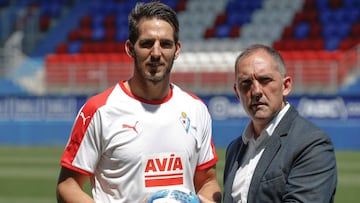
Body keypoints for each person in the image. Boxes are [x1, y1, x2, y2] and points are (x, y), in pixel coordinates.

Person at [56, 2, 221, 203]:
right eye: (147, 43)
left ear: (176, 50)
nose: (156, 53)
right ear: (129, 48)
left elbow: (208, 182)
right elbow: (67, 186)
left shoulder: (196, 109)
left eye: (166, 44)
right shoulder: (100, 110)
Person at [223, 44, 337, 203]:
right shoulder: (234, 149)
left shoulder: (312, 143)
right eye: (246, 83)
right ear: (237, 92)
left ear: (286, 86)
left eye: (265, 80)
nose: (256, 91)